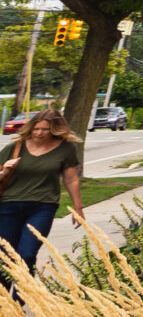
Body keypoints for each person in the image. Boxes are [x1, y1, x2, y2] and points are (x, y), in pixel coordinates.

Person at [0, 108, 82, 276]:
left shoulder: (65, 149)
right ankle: (6, 299)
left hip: (42, 208)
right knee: (5, 257)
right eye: (36, 128)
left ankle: (24, 295)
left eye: (44, 129)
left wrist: (78, 208)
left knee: (27, 254)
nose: (38, 133)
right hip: (8, 207)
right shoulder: (15, 147)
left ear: (55, 129)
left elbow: (71, 179)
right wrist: (5, 170)